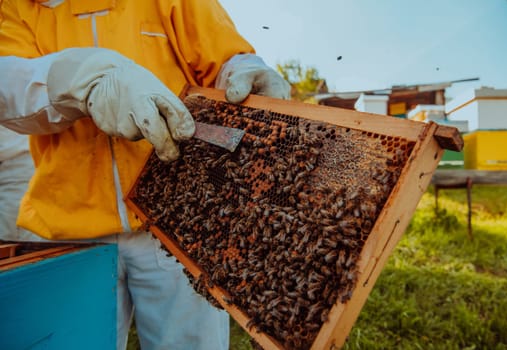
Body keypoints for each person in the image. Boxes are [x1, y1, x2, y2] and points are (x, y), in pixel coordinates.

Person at [0, 1, 290, 349]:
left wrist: (244, 68)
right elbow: (9, 89)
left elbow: (222, 57)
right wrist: (78, 80)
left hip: (179, 221)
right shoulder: (17, 7)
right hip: (72, 227)